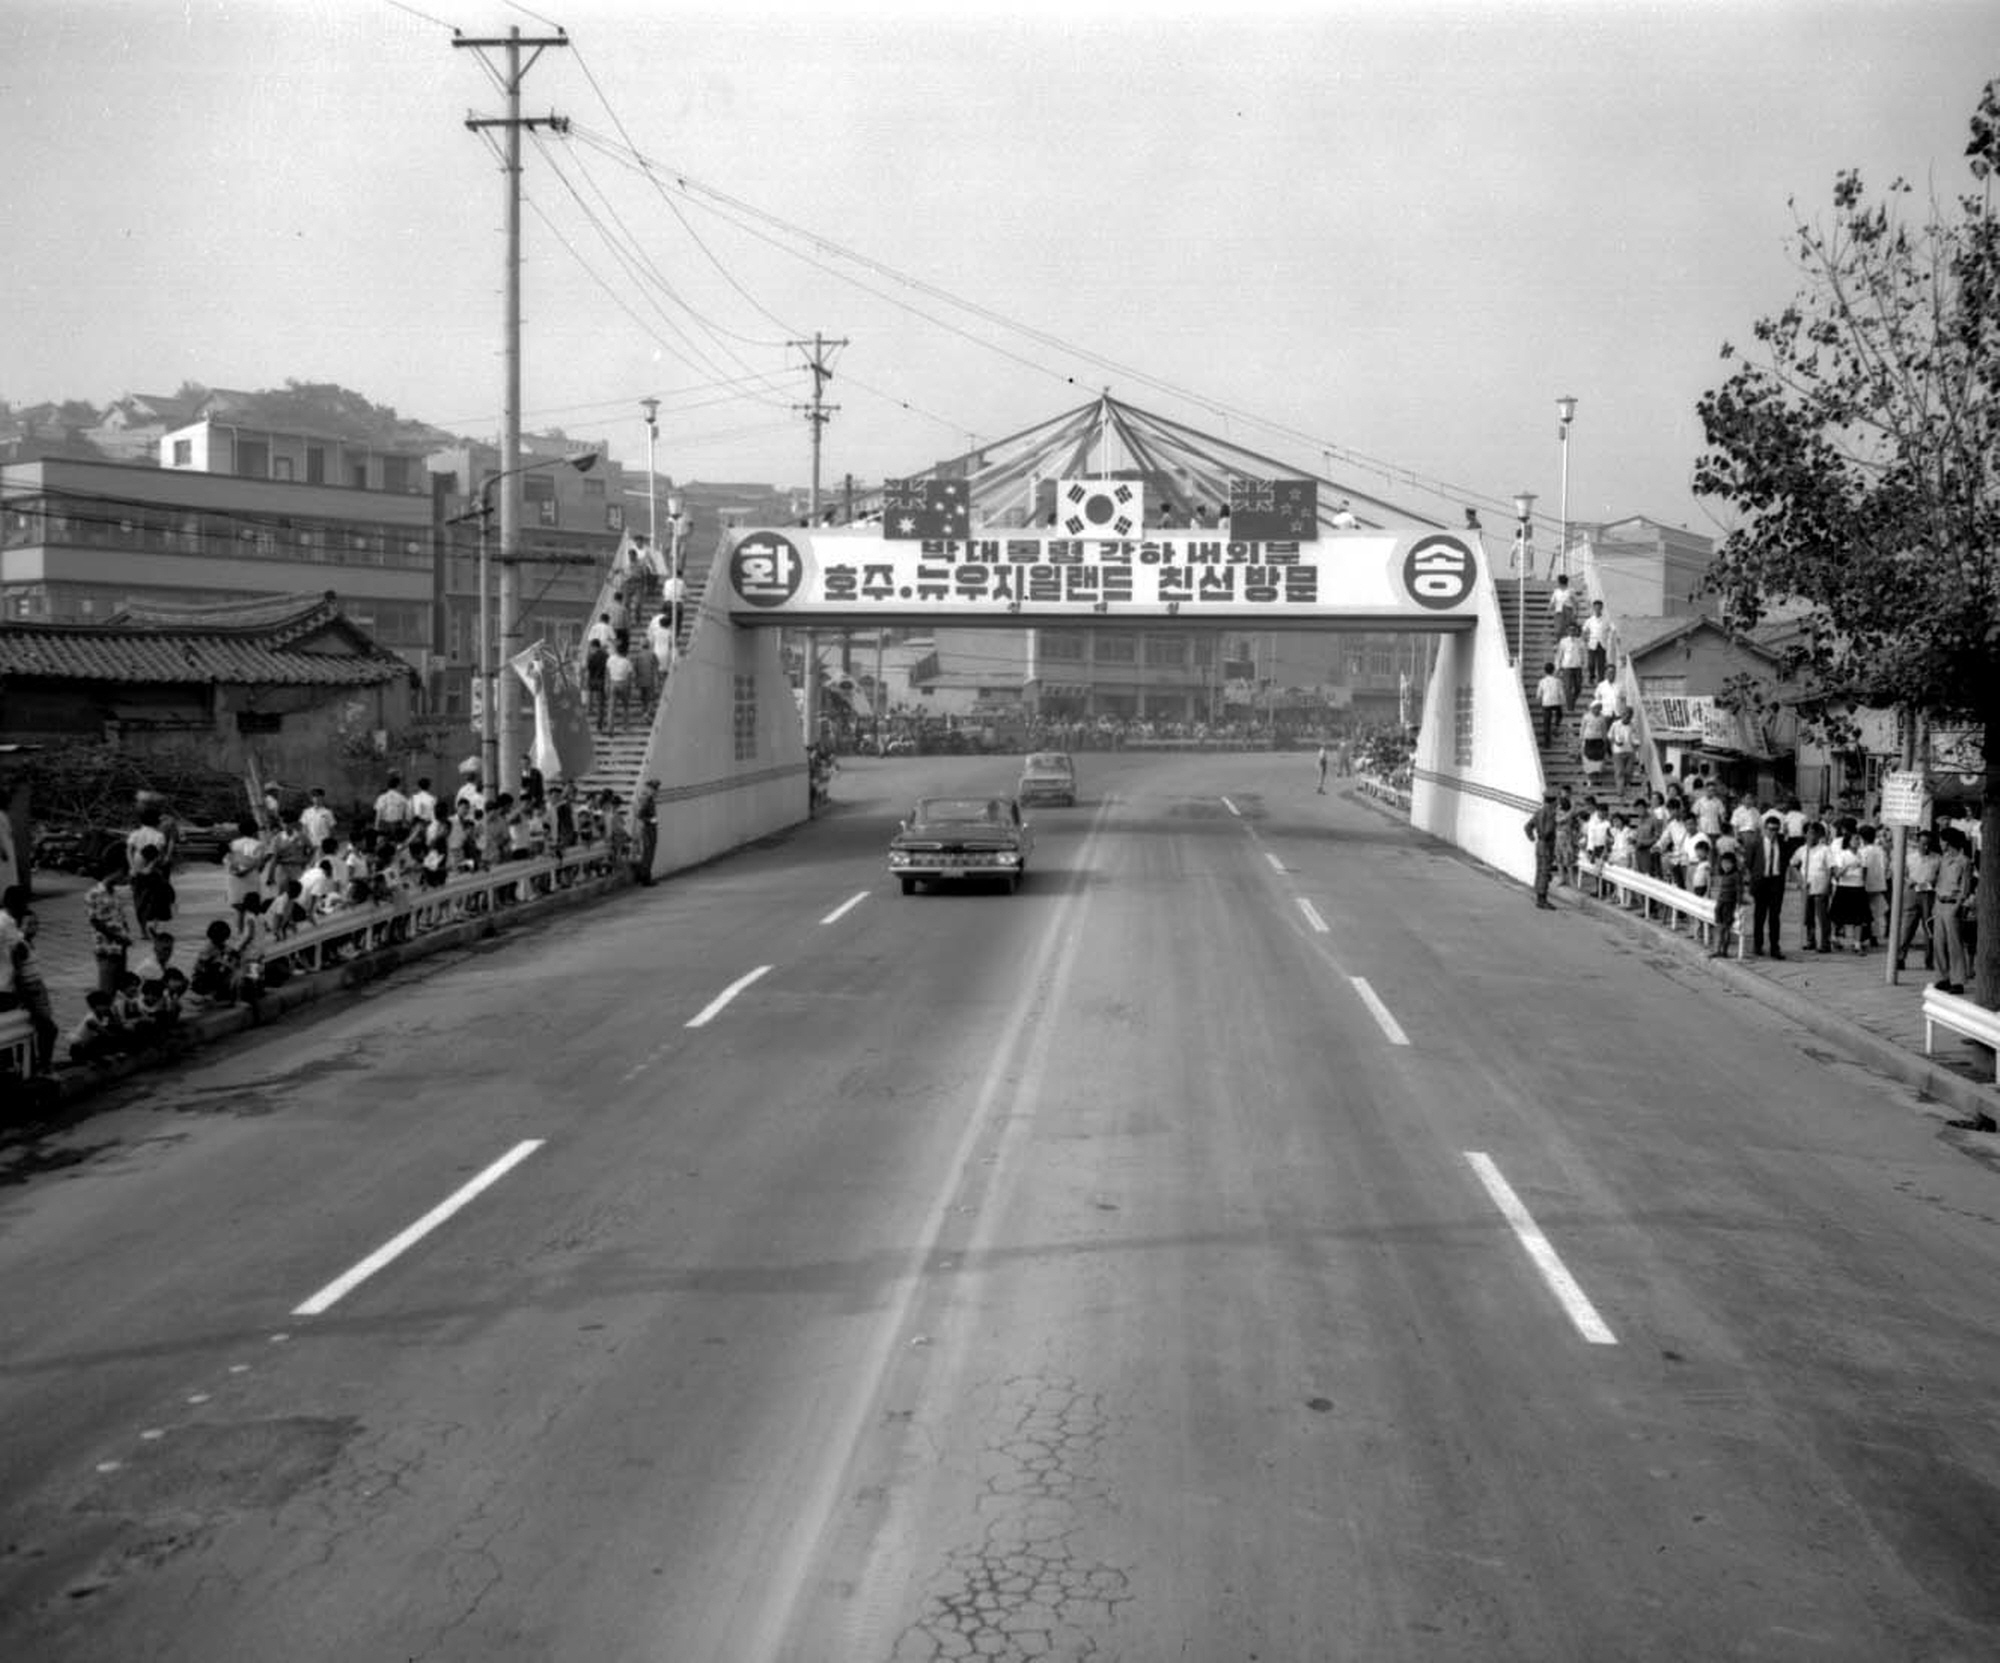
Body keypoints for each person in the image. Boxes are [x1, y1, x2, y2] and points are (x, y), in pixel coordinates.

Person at [1932, 826, 1972, 995]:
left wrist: (1958, 906)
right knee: (1938, 943)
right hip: (1940, 903)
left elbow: (1965, 887)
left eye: (1942, 840)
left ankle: (1958, 980)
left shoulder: (1964, 861)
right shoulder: (1942, 860)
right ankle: (1943, 977)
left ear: (1948, 842)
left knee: (1954, 944)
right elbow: (1938, 882)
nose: (1940, 843)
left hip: (1953, 904)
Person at [85, 864, 137, 996]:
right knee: (107, 988)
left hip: (120, 946)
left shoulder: (114, 892)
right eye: (124, 874)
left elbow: (119, 916)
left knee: (120, 985)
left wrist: (125, 934)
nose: (125, 878)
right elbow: (95, 921)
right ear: (116, 872)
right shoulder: (94, 893)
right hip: (106, 947)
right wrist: (117, 937)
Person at [1896, 828, 1941, 972]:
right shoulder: (1909, 857)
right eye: (1922, 844)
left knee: (1929, 928)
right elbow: (1902, 873)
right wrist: (1908, 881)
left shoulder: (1936, 858)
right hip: (1912, 893)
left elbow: (1939, 876)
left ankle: (1929, 960)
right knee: (1907, 928)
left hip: (1928, 894)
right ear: (1917, 843)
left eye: (1928, 844)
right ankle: (1900, 958)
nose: (1925, 847)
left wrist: (1934, 882)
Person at [1748, 812, 1789, 958]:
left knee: (1774, 917)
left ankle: (1774, 947)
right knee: (1760, 915)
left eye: (1776, 829)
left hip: (1776, 883)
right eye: (1771, 829)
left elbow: (1785, 863)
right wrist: (1752, 884)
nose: (1773, 832)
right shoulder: (1755, 843)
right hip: (1761, 883)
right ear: (1765, 829)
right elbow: (1749, 864)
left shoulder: (1783, 844)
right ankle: (1758, 945)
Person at [1524, 790, 1560, 909]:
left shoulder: (1539, 811)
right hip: (1546, 844)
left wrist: (1533, 837)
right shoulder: (1551, 813)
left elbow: (1527, 826)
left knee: (1540, 871)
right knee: (1544, 872)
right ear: (1554, 801)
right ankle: (1542, 899)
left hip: (1539, 844)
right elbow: (1548, 830)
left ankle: (1540, 898)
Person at [1708, 849, 1743, 958]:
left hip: (1729, 905)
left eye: (1728, 863)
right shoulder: (1723, 875)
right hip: (1720, 904)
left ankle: (1724, 951)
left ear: (1733, 864)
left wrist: (1738, 903)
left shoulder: (1736, 875)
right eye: (1723, 863)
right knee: (1718, 927)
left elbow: (1739, 890)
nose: (1726, 866)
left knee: (1726, 928)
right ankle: (1717, 950)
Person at [632, 779, 660, 885]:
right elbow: (640, 815)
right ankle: (645, 877)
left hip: (651, 829)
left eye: (656, 789)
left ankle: (645, 876)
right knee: (648, 854)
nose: (656, 791)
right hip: (648, 830)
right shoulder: (647, 800)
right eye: (654, 789)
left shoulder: (651, 800)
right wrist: (650, 820)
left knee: (650, 853)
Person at [1554, 624, 1586, 713]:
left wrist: (1584, 665)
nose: (1572, 632)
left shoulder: (1580, 641)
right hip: (1566, 667)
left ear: (1576, 631)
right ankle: (1570, 707)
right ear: (1567, 631)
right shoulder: (1563, 641)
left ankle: (1571, 701)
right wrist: (1558, 667)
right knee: (1568, 688)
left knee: (1578, 688)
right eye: (1570, 630)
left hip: (1577, 667)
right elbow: (1559, 654)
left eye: (1574, 630)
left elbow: (1584, 654)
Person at [1582, 599, 1612, 686]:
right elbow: (1584, 630)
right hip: (1592, 644)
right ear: (1593, 608)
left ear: (1602, 608)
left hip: (1602, 644)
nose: (1597, 609)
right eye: (1596, 607)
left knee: (1601, 665)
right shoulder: (1590, 620)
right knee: (1591, 663)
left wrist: (1612, 638)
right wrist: (1585, 638)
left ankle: (1601, 681)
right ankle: (1592, 676)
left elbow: (1612, 629)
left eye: (1599, 607)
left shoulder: (1606, 620)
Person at [1534, 661, 1563, 746]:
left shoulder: (1542, 681)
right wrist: (1562, 701)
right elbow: (1561, 693)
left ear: (1544, 671)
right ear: (1553, 670)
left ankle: (1547, 742)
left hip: (1546, 703)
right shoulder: (1558, 681)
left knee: (1546, 723)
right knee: (1560, 714)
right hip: (1556, 702)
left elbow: (1538, 695)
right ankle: (1556, 726)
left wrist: (1539, 700)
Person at [300, 787, 337, 852]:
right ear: (312, 799)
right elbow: (304, 830)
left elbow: (332, 830)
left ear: (322, 798)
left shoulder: (328, 812)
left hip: (323, 845)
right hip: (311, 844)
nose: (317, 799)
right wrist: (306, 844)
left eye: (319, 796)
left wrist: (330, 845)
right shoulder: (306, 812)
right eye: (315, 797)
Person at [585, 639, 610, 730]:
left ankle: (589, 711)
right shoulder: (606, 655)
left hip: (592, 681)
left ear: (594, 646)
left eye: (591, 647)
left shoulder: (591, 656)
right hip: (602, 681)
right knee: (601, 704)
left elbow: (588, 670)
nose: (590, 649)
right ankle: (600, 723)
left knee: (594, 700)